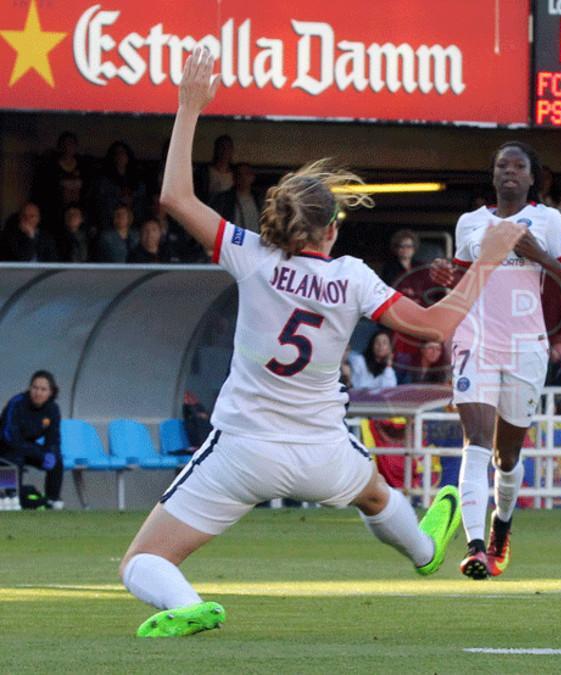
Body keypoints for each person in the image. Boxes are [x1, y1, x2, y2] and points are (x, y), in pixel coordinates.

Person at [118, 49, 525, 639]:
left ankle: (185, 603)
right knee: (377, 496)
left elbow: (176, 197)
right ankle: (423, 553)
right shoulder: (353, 275)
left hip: (244, 452)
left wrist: (189, 107)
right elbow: (436, 327)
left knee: (142, 562)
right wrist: (486, 261)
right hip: (322, 453)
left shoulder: (250, 255)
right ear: (333, 229)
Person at [443, 140, 561, 580]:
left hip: (526, 345)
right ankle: (475, 548)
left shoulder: (547, 220)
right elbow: (460, 280)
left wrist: (537, 253)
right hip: (474, 339)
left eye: (518, 166)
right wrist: (447, 278)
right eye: (502, 165)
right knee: (476, 443)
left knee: (507, 456)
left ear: (531, 178)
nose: (509, 171)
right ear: (493, 175)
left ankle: (501, 524)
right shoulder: (470, 223)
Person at [0, 371, 63, 510]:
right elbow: (9, 437)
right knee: (15, 458)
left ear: (51, 392)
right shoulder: (17, 403)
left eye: (43, 389)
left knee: (57, 460)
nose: (38, 393)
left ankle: (53, 500)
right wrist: (39, 454)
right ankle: (11, 497)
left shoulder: (52, 409)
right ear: (30, 388)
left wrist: (51, 453)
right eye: (35, 388)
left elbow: (53, 438)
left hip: (27, 448)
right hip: (5, 448)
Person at [209, 163, 262, 232]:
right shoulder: (224, 200)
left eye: (247, 174)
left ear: (252, 177)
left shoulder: (260, 200)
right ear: (234, 178)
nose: (243, 178)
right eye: (239, 175)